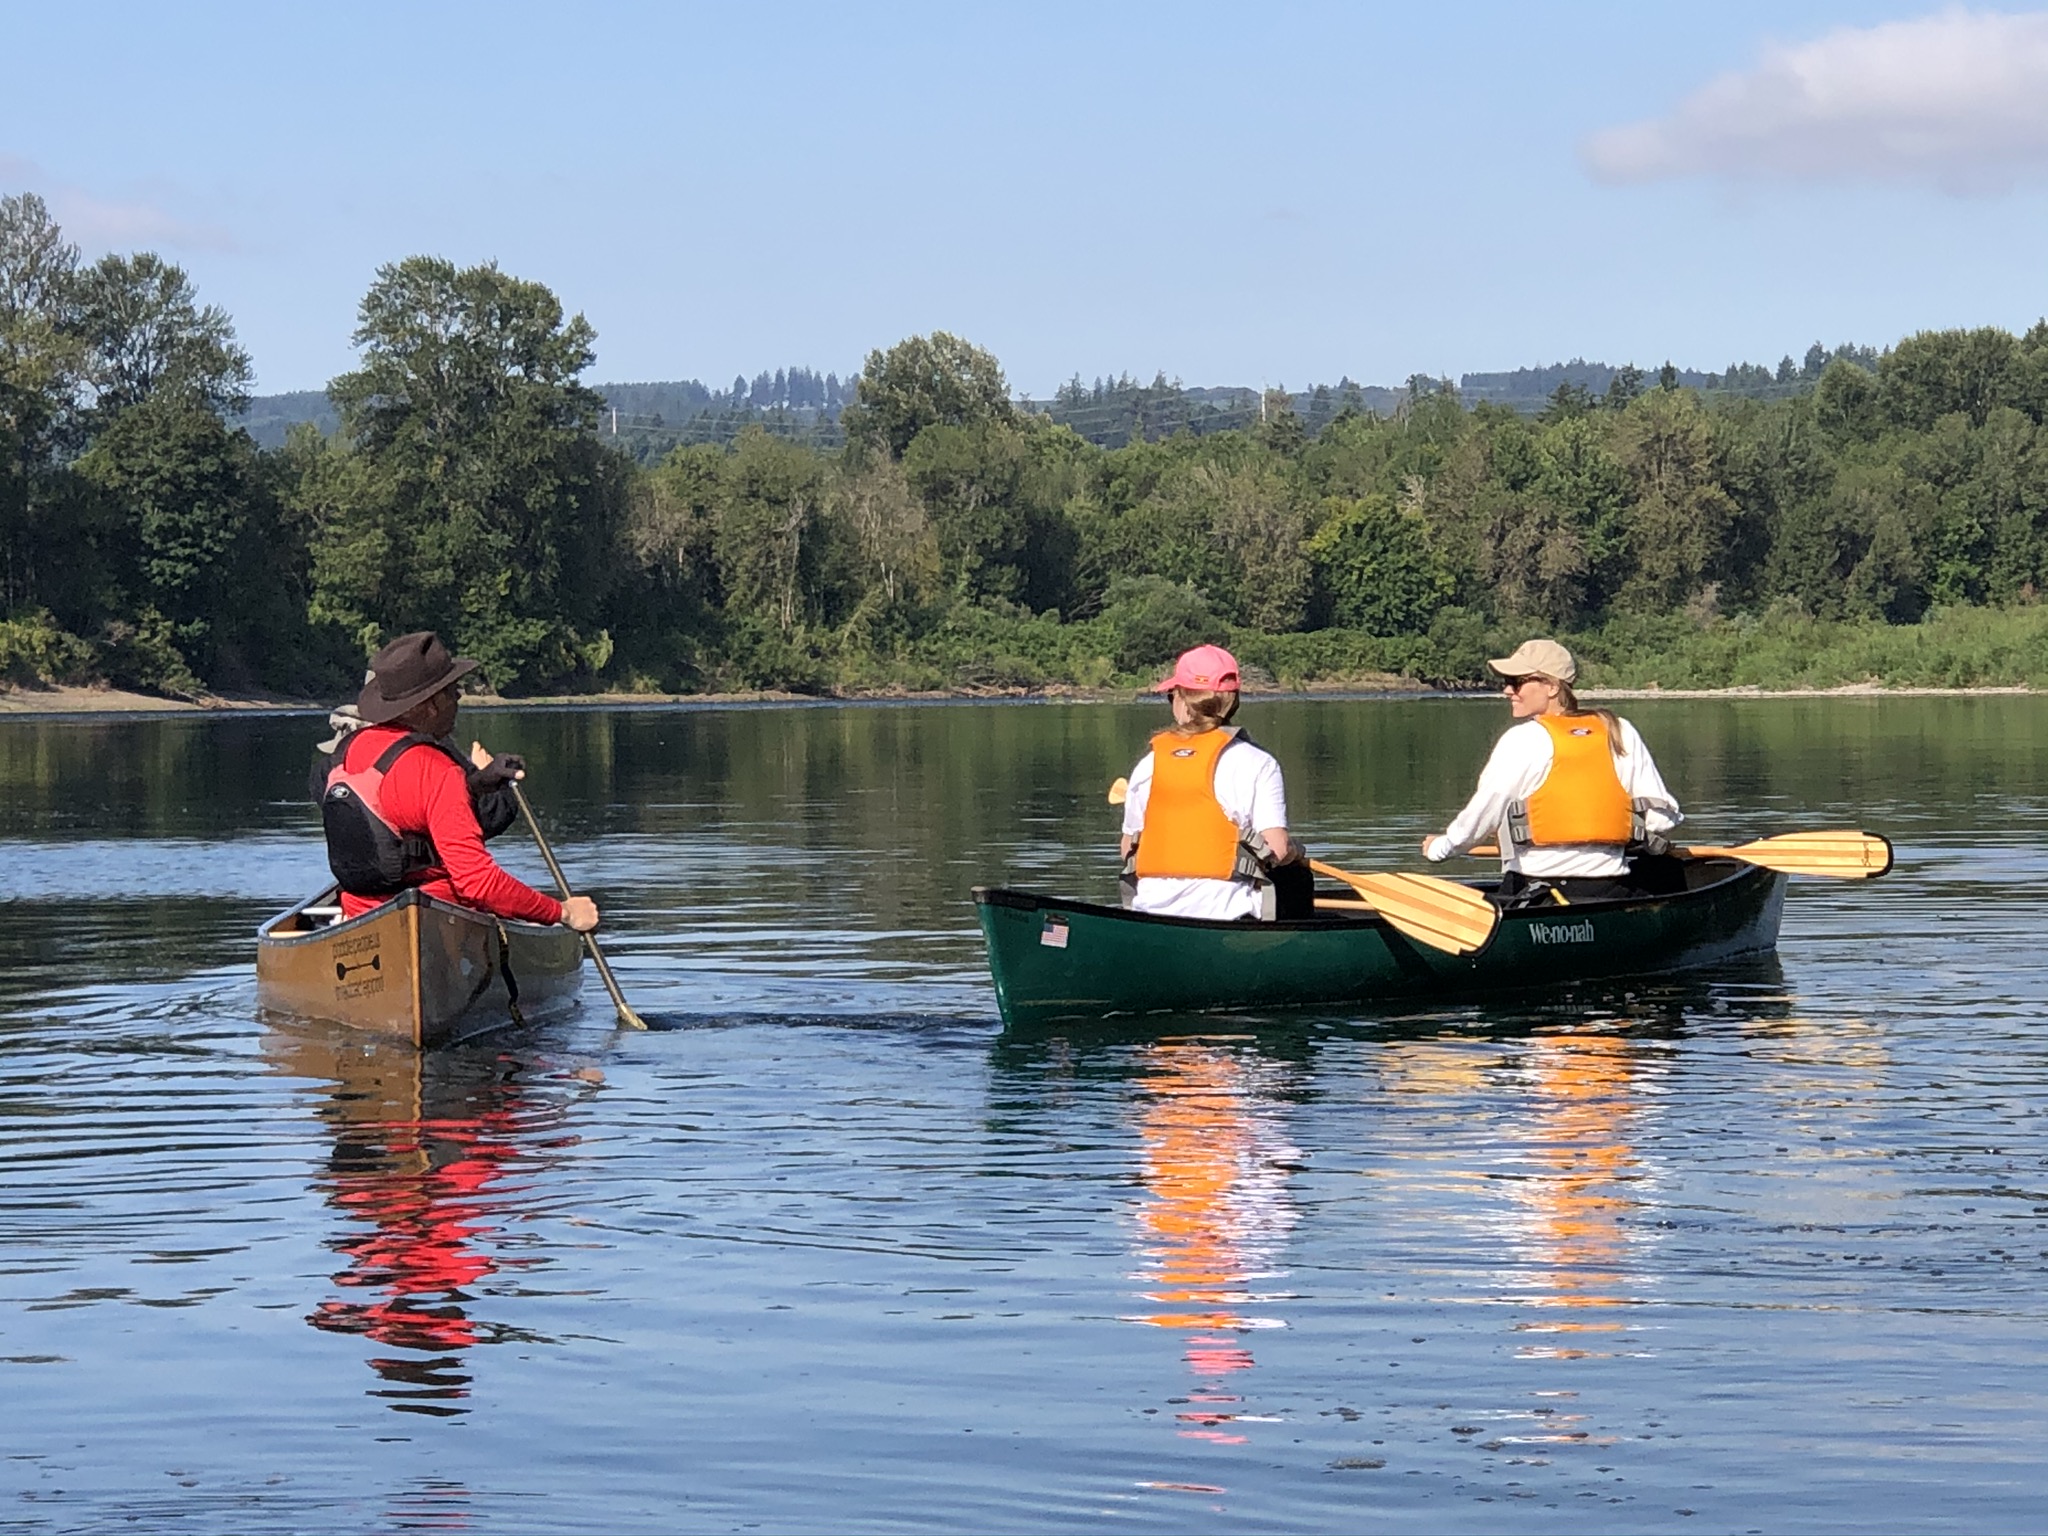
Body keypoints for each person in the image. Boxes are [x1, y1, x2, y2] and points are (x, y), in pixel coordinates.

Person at [321, 631, 599, 933]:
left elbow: (398, 804)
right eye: (452, 690)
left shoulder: (346, 750)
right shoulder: (438, 770)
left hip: (362, 920)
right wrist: (563, 912)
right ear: (431, 705)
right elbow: (479, 884)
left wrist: (475, 784)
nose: (459, 697)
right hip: (437, 923)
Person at [1421, 637, 1682, 903]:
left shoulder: (1523, 739)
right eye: (1507, 682)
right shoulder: (1619, 730)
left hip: (1533, 891)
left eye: (1517, 682)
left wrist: (1440, 848)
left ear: (1552, 687)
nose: (1508, 691)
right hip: (1609, 889)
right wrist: (1617, 833)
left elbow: (1481, 816)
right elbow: (1661, 819)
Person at [1118, 644, 1306, 921]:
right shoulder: (1258, 762)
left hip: (1151, 911)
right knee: (1297, 876)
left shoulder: (1149, 764)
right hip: (1228, 915)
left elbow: (1128, 849)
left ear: (1182, 700)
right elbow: (1276, 849)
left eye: (1171, 695)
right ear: (1234, 701)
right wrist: (1294, 852)